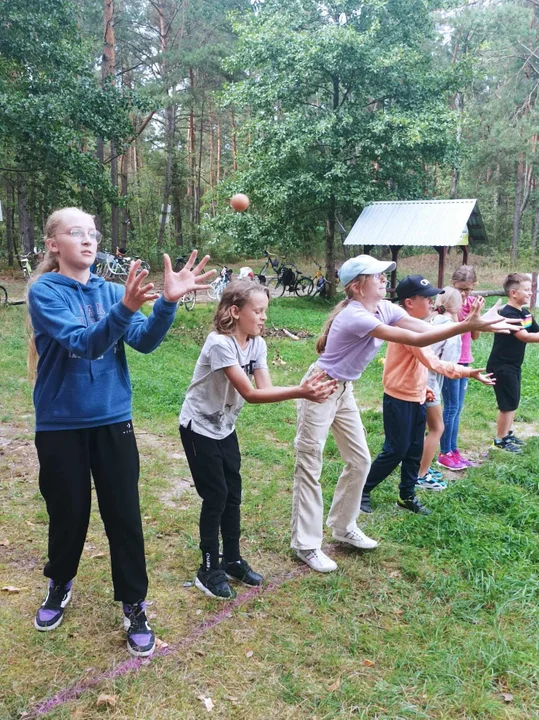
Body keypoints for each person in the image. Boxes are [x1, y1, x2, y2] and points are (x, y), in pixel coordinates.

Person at [27, 207, 214, 657]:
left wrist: (166, 303)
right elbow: (83, 344)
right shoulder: (44, 291)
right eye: (76, 233)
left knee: (124, 516)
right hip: (61, 424)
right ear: (54, 244)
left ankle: (134, 604)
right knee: (68, 512)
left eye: (93, 233)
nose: (88, 240)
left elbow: (145, 341)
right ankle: (60, 582)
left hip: (113, 420)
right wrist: (125, 307)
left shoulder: (112, 290)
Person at [291, 255, 519, 573]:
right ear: (357, 287)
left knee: (359, 461)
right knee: (309, 465)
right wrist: (467, 325)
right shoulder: (356, 316)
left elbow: (420, 327)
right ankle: (306, 544)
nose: (385, 279)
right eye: (378, 276)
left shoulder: (382, 307)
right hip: (320, 388)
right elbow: (415, 339)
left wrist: (471, 323)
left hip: (344, 390)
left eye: (385, 275)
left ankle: (343, 527)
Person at [179, 279, 338, 600]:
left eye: (266, 311)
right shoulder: (219, 344)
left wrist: (303, 389)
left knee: (233, 493)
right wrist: (302, 390)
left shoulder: (257, 344)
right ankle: (208, 568)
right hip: (198, 427)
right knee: (216, 496)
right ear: (235, 311)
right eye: (259, 311)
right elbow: (250, 394)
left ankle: (233, 559)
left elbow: (264, 389)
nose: (264, 317)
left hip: (224, 427)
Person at [360, 277, 494, 515]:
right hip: (399, 399)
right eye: (427, 298)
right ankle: (362, 490)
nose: (432, 302)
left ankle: (407, 496)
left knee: (413, 451)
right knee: (395, 450)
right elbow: (431, 362)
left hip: (416, 396)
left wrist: (423, 388)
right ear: (409, 303)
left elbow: (417, 367)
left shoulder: (415, 324)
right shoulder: (407, 329)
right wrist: (467, 372)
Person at [417, 287, 466, 486]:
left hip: (416, 378)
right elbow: (449, 365)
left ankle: (418, 467)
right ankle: (421, 474)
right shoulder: (451, 329)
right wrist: (468, 373)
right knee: (437, 428)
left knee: (423, 427)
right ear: (458, 306)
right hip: (430, 383)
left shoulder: (428, 321)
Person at [486, 273, 539, 452]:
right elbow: (524, 336)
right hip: (501, 365)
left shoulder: (524, 313)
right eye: (526, 289)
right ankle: (500, 440)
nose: (531, 293)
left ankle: (506, 434)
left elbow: (535, 331)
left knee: (513, 400)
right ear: (513, 293)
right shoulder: (507, 313)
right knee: (507, 403)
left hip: (513, 365)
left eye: (531, 289)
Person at [437, 265, 480, 470]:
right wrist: (468, 317)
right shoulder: (447, 301)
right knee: (451, 407)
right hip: (450, 361)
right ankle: (444, 451)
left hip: (465, 360)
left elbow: (475, 334)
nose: (464, 293)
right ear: (453, 284)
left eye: (468, 289)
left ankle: (453, 450)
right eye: (461, 288)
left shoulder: (471, 303)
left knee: (458, 408)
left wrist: (475, 315)